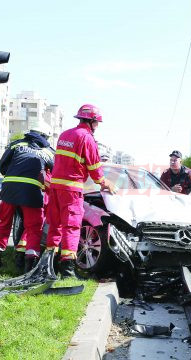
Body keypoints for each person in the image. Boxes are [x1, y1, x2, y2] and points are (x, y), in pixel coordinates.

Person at [46, 104, 116, 278]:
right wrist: (104, 183)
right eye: (97, 123)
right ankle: (68, 270)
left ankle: (48, 266)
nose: (97, 126)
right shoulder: (87, 138)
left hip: (55, 187)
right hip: (71, 188)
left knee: (55, 225)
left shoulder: (64, 135)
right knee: (71, 226)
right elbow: (94, 167)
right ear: (92, 121)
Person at [0, 123, 55, 272]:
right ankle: (29, 265)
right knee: (34, 227)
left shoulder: (16, 145)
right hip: (32, 191)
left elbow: (2, 166)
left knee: (4, 223)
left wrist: (15, 174)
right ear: (45, 136)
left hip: (9, 188)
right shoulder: (48, 151)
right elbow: (55, 171)